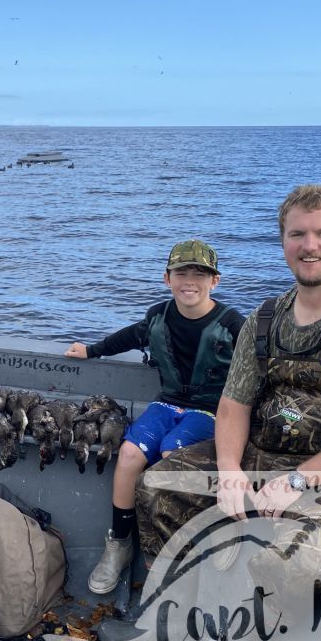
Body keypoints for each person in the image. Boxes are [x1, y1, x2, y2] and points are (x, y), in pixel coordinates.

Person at [134, 185, 321, 590]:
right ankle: (184, 605)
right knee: (155, 487)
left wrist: (297, 481)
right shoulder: (266, 317)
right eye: (297, 234)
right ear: (283, 241)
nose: (310, 246)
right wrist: (231, 470)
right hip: (261, 456)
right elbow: (233, 405)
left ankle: (254, 640)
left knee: (293, 566)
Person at [65, 240, 244, 594]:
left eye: (199, 274)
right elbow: (129, 337)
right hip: (166, 404)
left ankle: (206, 537)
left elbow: (260, 367)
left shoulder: (234, 324)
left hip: (211, 411)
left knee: (170, 453)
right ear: (167, 279)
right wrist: (92, 350)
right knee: (130, 453)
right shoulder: (157, 316)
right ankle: (119, 542)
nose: (189, 281)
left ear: (215, 281)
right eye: (181, 273)